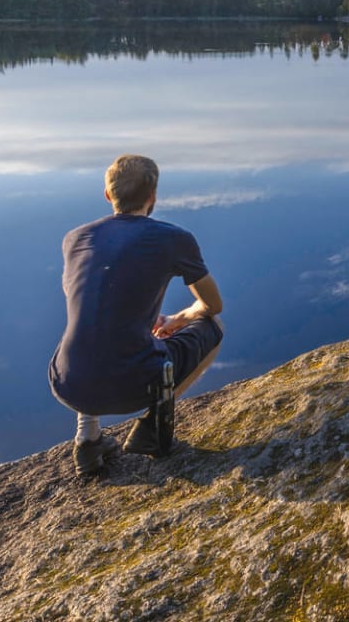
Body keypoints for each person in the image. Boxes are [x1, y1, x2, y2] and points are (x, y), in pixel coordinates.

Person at [48, 154, 225, 480]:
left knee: (88, 325)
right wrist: (181, 318)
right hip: (130, 385)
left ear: (107, 195)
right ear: (153, 196)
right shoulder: (174, 239)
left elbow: (94, 302)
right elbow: (212, 305)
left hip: (67, 381)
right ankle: (153, 426)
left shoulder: (75, 239)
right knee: (214, 328)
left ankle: (87, 439)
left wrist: (145, 317)